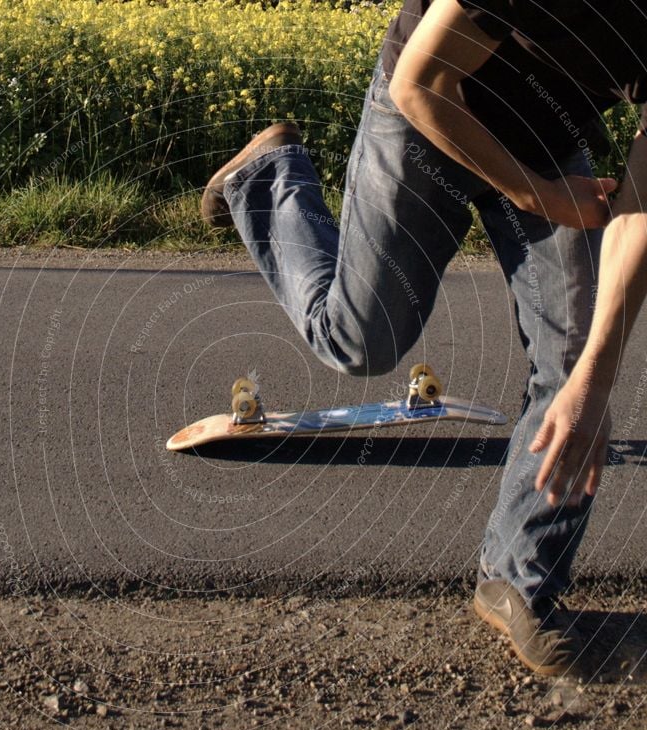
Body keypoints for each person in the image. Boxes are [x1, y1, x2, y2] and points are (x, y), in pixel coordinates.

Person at [201, 0, 647, 676]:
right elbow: (420, 85)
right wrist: (534, 194)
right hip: (429, 117)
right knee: (360, 341)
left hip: (545, 143)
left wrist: (593, 378)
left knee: (578, 357)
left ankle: (519, 583)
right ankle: (265, 178)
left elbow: (640, 214)